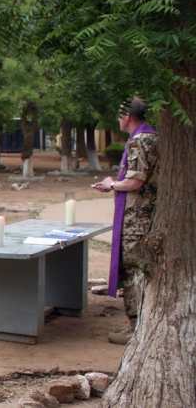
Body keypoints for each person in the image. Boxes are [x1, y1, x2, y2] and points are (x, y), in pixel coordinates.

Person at [92, 98, 157, 345]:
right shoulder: (151, 137)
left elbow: (135, 182)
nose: (118, 120)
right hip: (145, 213)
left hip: (137, 215)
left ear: (127, 116)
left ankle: (137, 327)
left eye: (120, 115)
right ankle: (139, 323)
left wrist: (112, 185)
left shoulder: (140, 141)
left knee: (133, 270)